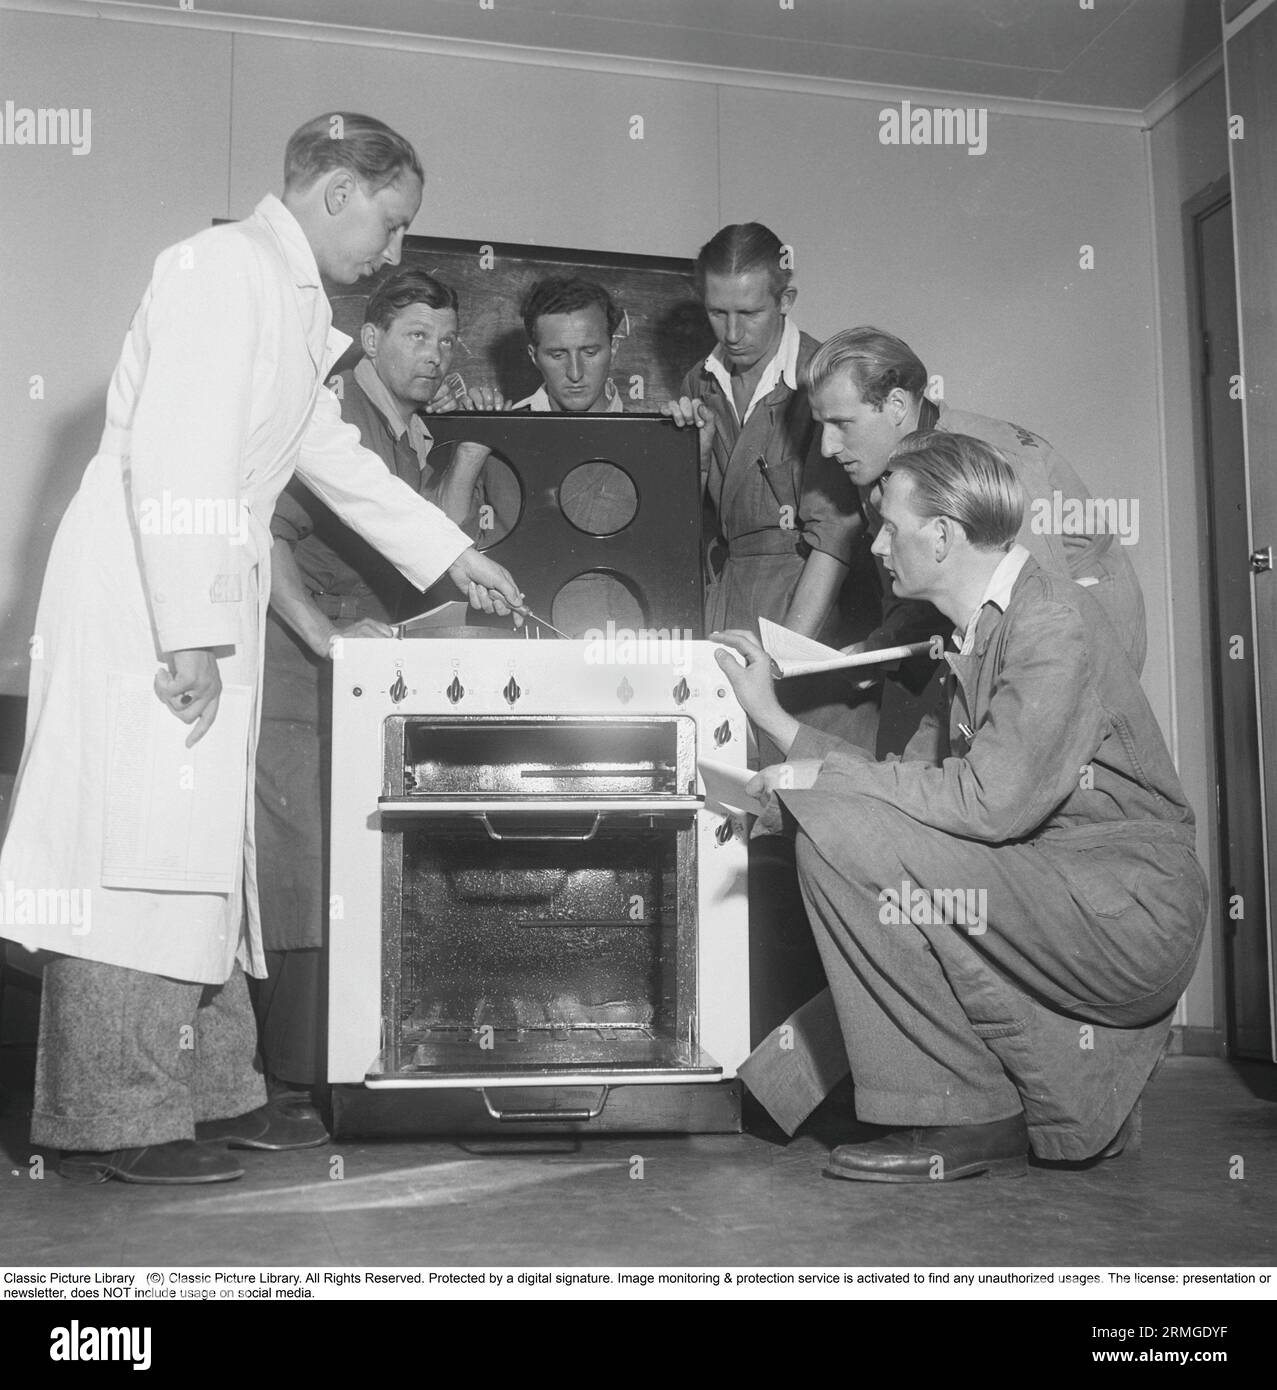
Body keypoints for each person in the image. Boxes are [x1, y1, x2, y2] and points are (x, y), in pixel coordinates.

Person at [0, 112, 523, 1185]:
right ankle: (118, 1112)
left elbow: (327, 453)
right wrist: (189, 633)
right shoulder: (219, 269)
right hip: (154, 593)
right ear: (334, 191)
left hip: (194, 579)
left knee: (202, 849)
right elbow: (181, 453)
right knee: (139, 852)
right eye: (388, 222)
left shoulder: (286, 304)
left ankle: (210, 1086)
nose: (391, 251)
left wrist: (450, 555)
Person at [714, 432, 1205, 1180]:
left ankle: (960, 1108)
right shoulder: (979, 632)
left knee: (836, 828)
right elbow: (909, 789)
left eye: (890, 527)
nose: (876, 546)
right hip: (1059, 891)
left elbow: (986, 806)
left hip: (1126, 913)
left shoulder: (1049, 624)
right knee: (838, 824)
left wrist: (810, 786)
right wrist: (774, 723)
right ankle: (926, 1091)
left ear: (941, 536)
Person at [254, 267, 497, 1120]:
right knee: (306, 865)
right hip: (299, 670)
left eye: (445, 338)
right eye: (416, 336)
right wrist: (323, 637)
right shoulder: (331, 414)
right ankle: (286, 1083)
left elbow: (418, 546)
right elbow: (263, 542)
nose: (435, 354)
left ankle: (337, 1066)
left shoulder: (408, 432)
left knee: (361, 866)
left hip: (368, 680)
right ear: (371, 337)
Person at [804, 326, 1147, 679]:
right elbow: (906, 583)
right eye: (821, 426)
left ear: (896, 406)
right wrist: (882, 647)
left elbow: (1041, 605)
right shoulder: (879, 465)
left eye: (841, 424)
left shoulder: (993, 462)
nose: (827, 448)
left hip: (1079, 622)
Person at [660, 223, 870, 752]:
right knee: (728, 781)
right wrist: (691, 454)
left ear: (786, 300)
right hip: (729, 601)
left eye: (749, 313)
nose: (732, 334)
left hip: (810, 607)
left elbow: (834, 541)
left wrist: (784, 660)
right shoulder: (697, 383)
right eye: (717, 312)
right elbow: (696, 518)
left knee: (808, 783)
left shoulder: (822, 379)